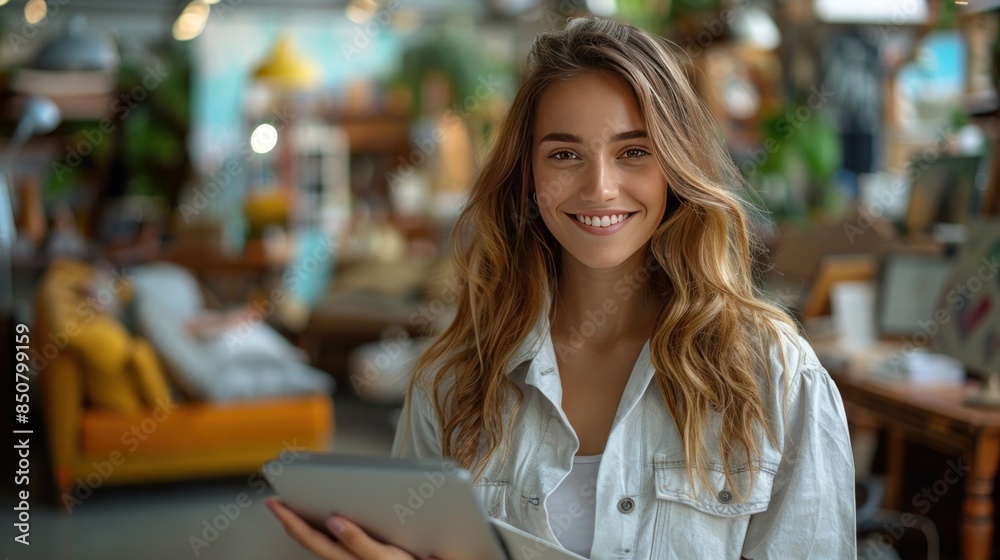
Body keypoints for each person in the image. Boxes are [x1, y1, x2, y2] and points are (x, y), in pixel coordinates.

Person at [268, 16, 856, 559]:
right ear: (527, 177)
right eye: (565, 154)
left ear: (676, 167)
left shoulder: (776, 375)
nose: (600, 187)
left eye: (634, 151)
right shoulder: (451, 381)